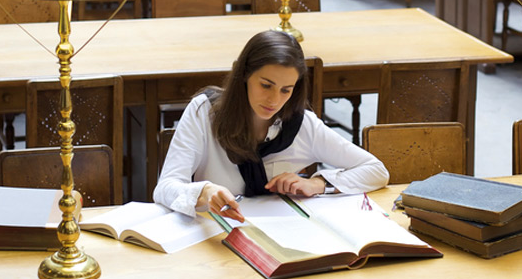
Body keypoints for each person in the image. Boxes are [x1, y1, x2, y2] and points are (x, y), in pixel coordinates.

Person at [154, 31, 389, 222]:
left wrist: (317, 184)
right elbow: (165, 187)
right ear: (244, 75)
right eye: (266, 85)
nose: (274, 100)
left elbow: (376, 170)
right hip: (213, 239)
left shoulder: (301, 125)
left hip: (282, 237)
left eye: (286, 90)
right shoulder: (204, 113)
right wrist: (203, 192)